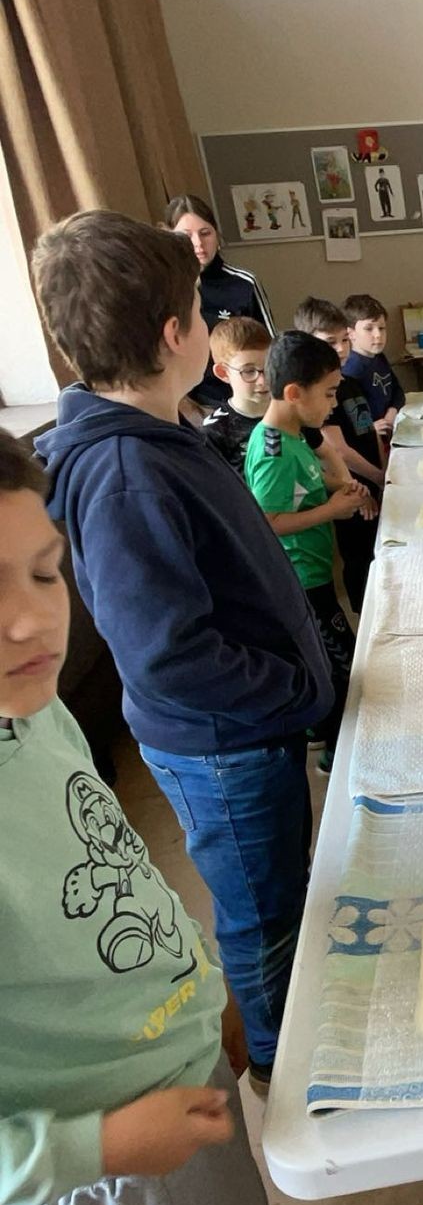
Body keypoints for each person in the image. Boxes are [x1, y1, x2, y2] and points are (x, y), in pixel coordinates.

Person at [0, 429, 392, 1205]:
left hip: (168, 1057)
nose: (30, 620)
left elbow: (107, 864)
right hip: (96, 1152)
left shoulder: (31, 710)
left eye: (43, 572)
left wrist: (198, 981)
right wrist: (104, 1142)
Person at [33, 212, 331, 1094]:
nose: (208, 326)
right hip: (224, 744)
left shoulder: (158, 434)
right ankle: (277, 1069)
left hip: (247, 730)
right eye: (202, 314)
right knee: (263, 915)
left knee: (283, 887)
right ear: (176, 335)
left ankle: (289, 1037)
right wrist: (292, 691)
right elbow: (169, 656)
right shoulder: (126, 474)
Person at [244, 332, 367, 766]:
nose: (334, 404)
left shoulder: (294, 433)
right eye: (329, 394)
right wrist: (332, 510)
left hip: (315, 572)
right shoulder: (273, 452)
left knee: (331, 660)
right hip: (302, 582)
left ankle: (321, 730)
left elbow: (307, 481)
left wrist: (338, 487)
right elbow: (268, 522)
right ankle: (337, 753)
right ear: (295, 393)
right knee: (343, 665)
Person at [293, 298, 384, 612]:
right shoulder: (321, 394)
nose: (342, 349)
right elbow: (338, 449)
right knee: (360, 554)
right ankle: (365, 611)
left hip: (371, 479)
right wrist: (371, 481)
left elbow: (368, 432)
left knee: (377, 549)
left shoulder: (351, 383)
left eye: (344, 340)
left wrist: (383, 472)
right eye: (330, 342)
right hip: (350, 487)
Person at [164, 195, 275, 413]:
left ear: (217, 234)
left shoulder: (244, 283)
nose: (198, 244)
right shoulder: (165, 287)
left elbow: (272, 348)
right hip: (185, 404)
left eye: (205, 233)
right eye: (186, 236)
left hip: (243, 401)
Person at [201, 316, 272, 475]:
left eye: (269, 367)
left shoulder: (289, 410)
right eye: (249, 371)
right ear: (223, 373)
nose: (263, 380)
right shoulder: (215, 431)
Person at [343, 294, 406, 457]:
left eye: (382, 328)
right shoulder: (351, 371)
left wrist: (392, 411)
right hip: (371, 444)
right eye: (369, 329)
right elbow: (350, 419)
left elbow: (397, 390)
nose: (378, 335)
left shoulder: (379, 357)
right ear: (351, 333)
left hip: (390, 429)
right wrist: (369, 428)